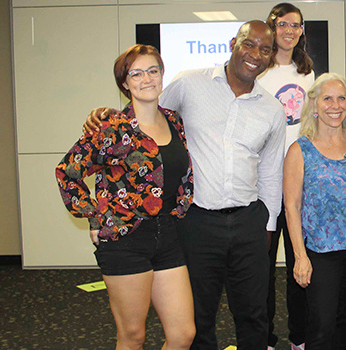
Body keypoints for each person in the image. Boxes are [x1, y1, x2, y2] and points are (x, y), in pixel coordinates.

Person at [83, 22, 285, 350]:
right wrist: (110, 118)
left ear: (271, 57)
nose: (255, 55)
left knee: (254, 313)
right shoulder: (190, 83)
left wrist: (268, 227)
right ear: (234, 43)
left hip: (250, 220)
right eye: (249, 45)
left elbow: (272, 173)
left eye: (265, 50)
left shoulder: (273, 109)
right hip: (196, 220)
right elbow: (148, 112)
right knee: (197, 316)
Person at [55, 44, 195, 350]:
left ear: (162, 75)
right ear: (124, 83)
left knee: (183, 335)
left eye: (153, 70)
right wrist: (93, 214)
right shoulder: (111, 128)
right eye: (137, 73)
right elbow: (68, 171)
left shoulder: (175, 121)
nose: (146, 78)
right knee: (133, 337)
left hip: (169, 234)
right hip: (125, 239)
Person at [284, 72, 346, 350]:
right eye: (327, 98)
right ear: (314, 105)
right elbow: (292, 206)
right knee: (322, 325)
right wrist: (300, 256)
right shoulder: (300, 151)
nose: (335, 105)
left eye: (341, 98)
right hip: (322, 252)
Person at [258, 4, 315, 350]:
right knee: (261, 269)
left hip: (299, 183)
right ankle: (263, 338)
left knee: (300, 265)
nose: (289, 30)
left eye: (295, 25)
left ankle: (300, 339)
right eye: (283, 24)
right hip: (262, 185)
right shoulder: (258, 70)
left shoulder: (306, 72)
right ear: (272, 27)